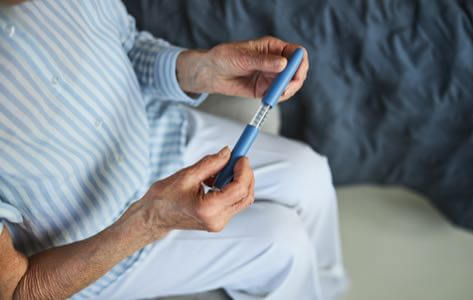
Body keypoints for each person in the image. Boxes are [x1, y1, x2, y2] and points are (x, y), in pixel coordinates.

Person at [0, 1, 347, 299]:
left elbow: (127, 41)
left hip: (158, 131)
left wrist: (205, 69)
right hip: (101, 236)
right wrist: (152, 220)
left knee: (311, 171)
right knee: (283, 244)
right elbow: (17, 290)